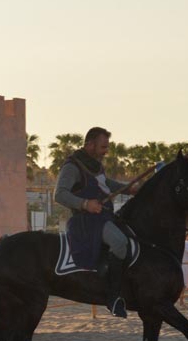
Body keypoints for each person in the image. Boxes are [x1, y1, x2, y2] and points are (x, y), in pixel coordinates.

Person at [53, 127, 139, 318]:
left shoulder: (95, 165)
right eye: (102, 147)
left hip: (102, 217)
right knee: (119, 242)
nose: (106, 151)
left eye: (106, 147)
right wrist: (84, 203)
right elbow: (59, 194)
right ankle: (114, 296)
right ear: (89, 144)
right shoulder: (72, 167)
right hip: (86, 222)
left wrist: (129, 189)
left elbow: (105, 183)